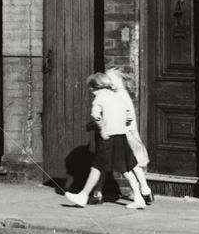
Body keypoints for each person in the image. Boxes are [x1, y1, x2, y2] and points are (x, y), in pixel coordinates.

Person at [65, 72, 147, 210]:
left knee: (96, 167)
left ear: (96, 87)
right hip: (121, 136)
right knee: (126, 169)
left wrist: (103, 129)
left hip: (108, 138)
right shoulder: (118, 97)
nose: (91, 91)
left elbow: (95, 115)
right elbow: (128, 116)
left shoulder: (99, 98)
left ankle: (83, 196)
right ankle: (139, 197)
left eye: (91, 88)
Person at [88, 68, 153, 205]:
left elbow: (124, 117)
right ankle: (144, 191)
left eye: (111, 79)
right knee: (124, 164)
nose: (108, 82)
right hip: (123, 132)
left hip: (121, 133)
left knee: (125, 165)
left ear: (118, 80)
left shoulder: (118, 95)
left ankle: (142, 191)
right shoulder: (118, 94)